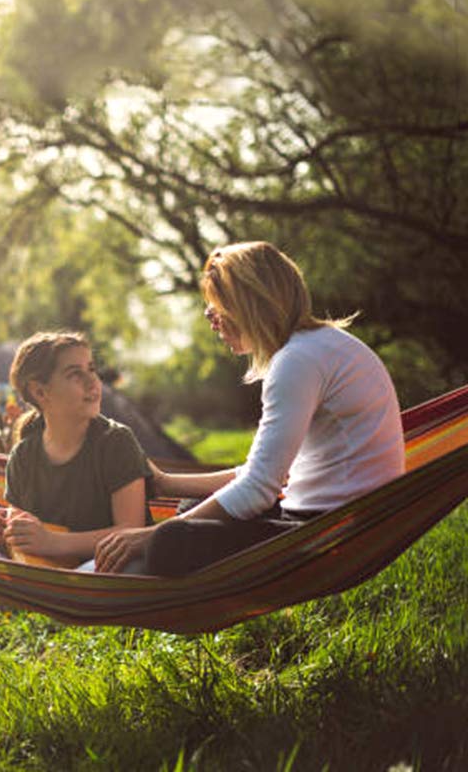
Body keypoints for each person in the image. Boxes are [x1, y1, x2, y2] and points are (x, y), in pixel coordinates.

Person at [95, 241, 405, 577]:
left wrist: (149, 536)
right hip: (341, 515)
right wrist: (167, 484)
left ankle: (121, 576)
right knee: (192, 510)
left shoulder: (296, 362)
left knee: (170, 539)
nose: (212, 322)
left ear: (247, 304)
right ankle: (130, 564)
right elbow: (263, 473)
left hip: (333, 529)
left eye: (215, 309)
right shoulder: (317, 347)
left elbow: (259, 488)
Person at [0, 330, 152, 611]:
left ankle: (24, 598)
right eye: (74, 374)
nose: (92, 381)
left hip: (96, 564)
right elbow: (23, 540)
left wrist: (54, 542)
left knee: (118, 569)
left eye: (91, 369)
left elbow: (131, 531)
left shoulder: (115, 442)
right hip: (41, 569)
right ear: (40, 392)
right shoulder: (23, 455)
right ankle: (35, 597)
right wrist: (5, 531)